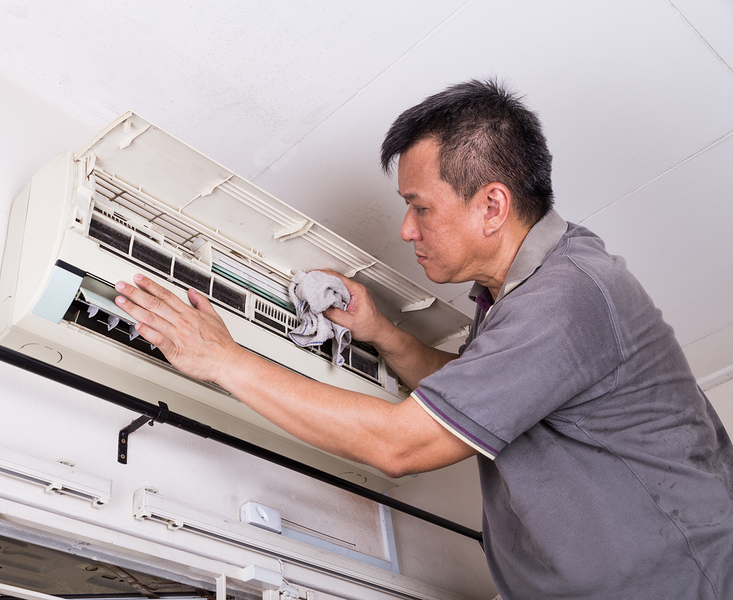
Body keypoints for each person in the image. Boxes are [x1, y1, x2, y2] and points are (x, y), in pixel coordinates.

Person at [113, 79, 733, 599]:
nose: (407, 229)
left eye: (420, 206)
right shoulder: (520, 294)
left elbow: (398, 445)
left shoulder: (567, 298)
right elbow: (471, 398)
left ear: (492, 206)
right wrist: (383, 332)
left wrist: (223, 360)